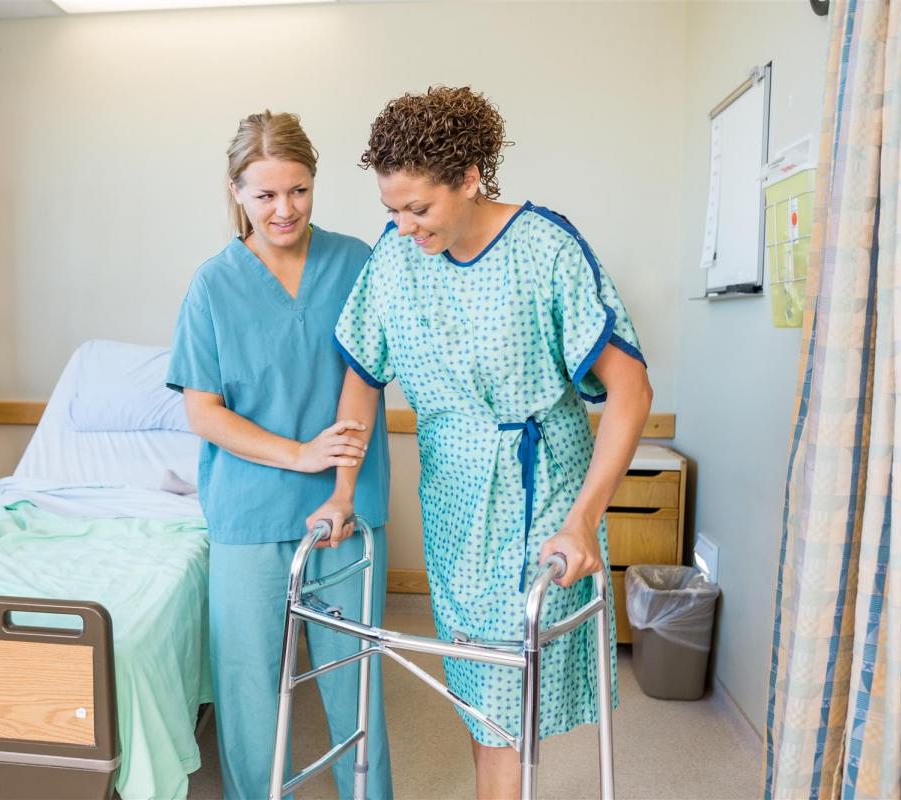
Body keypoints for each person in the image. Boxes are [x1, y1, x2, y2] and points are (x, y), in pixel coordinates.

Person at [309, 86, 653, 799]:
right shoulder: (397, 257)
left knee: (502, 694)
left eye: (419, 208)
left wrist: (583, 519)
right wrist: (341, 491)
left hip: (540, 495)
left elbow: (631, 388)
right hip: (453, 497)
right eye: (391, 210)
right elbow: (361, 375)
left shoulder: (545, 248)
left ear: (470, 178)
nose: (404, 226)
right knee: (477, 684)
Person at [166, 110, 394, 800]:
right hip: (248, 513)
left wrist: (339, 484)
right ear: (236, 192)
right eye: (265, 195)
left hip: (347, 508)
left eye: (297, 190)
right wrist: (298, 455)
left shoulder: (357, 263)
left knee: (355, 679)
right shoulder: (212, 286)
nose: (284, 209)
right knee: (247, 687)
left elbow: (368, 381)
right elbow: (203, 412)